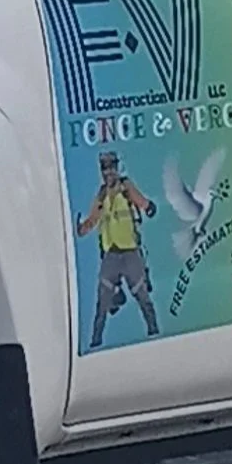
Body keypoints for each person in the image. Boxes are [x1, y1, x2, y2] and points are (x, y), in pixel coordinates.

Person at [78, 149, 160, 348]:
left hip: (130, 252)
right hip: (111, 255)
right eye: (104, 168)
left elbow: (141, 201)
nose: (108, 172)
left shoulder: (125, 187)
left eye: (111, 167)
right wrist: (82, 228)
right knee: (102, 303)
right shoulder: (101, 195)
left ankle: (154, 333)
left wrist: (148, 207)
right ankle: (96, 342)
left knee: (142, 296)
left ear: (116, 167)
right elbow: (93, 219)